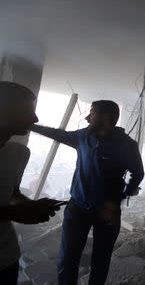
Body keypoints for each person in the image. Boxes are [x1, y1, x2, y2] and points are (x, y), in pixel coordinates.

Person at [30, 100, 144, 285]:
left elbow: (138, 173)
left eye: (92, 113)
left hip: (107, 212)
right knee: (67, 259)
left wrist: (119, 199)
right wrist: (31, 126)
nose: (87, 117)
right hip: (78, 208)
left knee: (100, 260)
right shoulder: (83, 136)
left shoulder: (126, 145)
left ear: (106, 117)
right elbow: (59, 134)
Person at [0, 81, 60, 285]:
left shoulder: (19, 154)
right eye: (27, 110)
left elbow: (12, 195)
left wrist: (29, 205)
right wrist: (13, 214)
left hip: (6, 258)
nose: (35, 118)